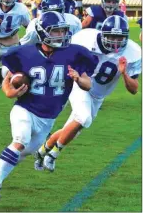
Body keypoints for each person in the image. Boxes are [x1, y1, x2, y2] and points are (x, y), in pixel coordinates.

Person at [0, 11, 98, 201]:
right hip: (25, 109)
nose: (62, 35)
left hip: (48, 118)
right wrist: (9, 92)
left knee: (21, 153)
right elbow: (6, 79)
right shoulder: (24, 53)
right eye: (56, 32)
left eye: (63, 31)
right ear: (43, 32)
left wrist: (79, 79)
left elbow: (88, 84)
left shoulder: (74, 53)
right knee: (20, 141)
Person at [34, 15, 142, 172]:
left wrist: (124, 73)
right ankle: (53, 155)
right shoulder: (85, 39)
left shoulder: (133, 52)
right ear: (102, 33)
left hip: (99, 95)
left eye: (120, 37)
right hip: (81, 84)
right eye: (112, 36)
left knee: (73, 129)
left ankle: (42, 151)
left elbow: (134, 89)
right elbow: (64, 55)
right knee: (83, 118)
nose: (115, 41)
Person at [0, 0, 83, 85]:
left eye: (57, 11)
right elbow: (23, 46)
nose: (54, 15)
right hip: (42, 54)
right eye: (50, 12)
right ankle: (4, 71)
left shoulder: (74, 22)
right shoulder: (35, 25)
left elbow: (78, 42)